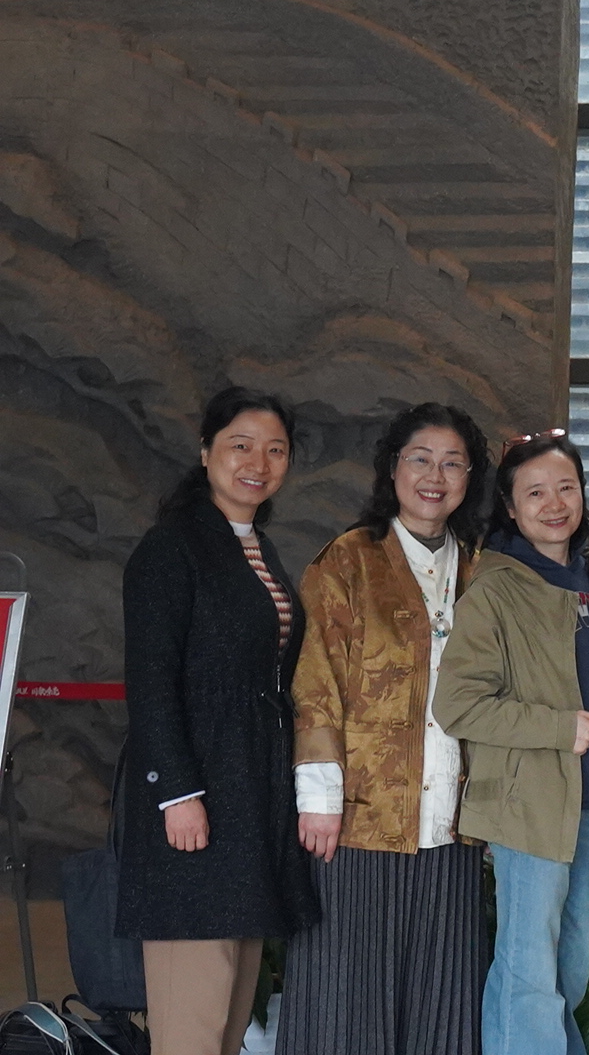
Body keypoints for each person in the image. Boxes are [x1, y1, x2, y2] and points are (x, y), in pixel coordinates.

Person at [280, 403, 494, 1055]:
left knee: (441, 1000)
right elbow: (315, 682)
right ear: (392, 468)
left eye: (453, 463)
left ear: (470, 478)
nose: (436, 476)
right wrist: (319, 797)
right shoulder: (349, 560)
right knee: (348, 997)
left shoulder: (480, 569)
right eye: (421, 459)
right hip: (358, 818)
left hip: (453, 821)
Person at [118, 387, 319, 1055]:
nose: (258, 462)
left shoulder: (256, 546)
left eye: (275, 450)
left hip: (247, 799)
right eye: (240, 445)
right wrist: (177, 793)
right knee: (193, 1021)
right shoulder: (172, 548)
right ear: (205, 452)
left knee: (227, 1018)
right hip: (196, 803)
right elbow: (151, 681)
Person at [433, 432, 589, 1055]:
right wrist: (557, 727)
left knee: (568, 966)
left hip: (586, 803)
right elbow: (457, 704)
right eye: (535, 493)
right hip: (528, 800)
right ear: (510, 507)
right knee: (530, 966)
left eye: (566, 488)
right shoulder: (498, 586)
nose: (554, 504)